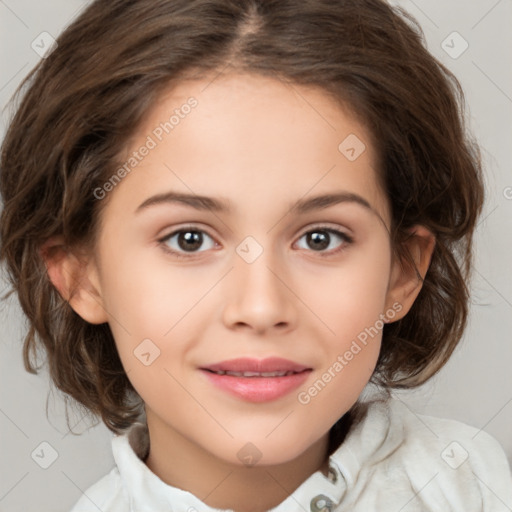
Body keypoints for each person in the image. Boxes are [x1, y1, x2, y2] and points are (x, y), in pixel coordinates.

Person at [1, 0, 511, 510]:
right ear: (81, 276)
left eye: (320, 238)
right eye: (189, 239)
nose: (261, 308)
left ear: (403, 270)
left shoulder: (475, 486)